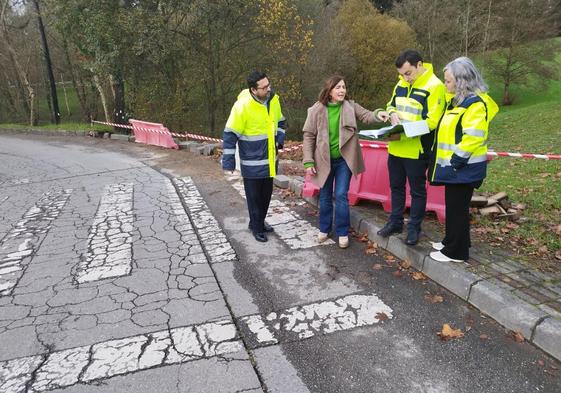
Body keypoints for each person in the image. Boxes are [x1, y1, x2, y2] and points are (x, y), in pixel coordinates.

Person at [302, 75, 385, 249]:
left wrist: (379, 114)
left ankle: (342, 232)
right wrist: (308, 162)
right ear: (329, 90)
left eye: (343, 87)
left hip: (344, 160)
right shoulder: (316, 110)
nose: (342, 90)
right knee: (325, 196)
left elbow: (367, 116)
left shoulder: (350, 106)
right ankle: (324, 229)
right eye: (338, 87)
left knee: (340, 195)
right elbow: (309, 136)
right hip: (323, 161)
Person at [429, 57, 498, 262]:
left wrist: (457, 160)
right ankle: (452, 241)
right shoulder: (458, 102)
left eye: (448, 81)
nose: (445, 84)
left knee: (457, 209)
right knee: (454, 207)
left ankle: (456, 252)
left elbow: (473, 136)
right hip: (457, 167)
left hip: (463, 168)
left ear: (461, 82)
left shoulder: (474, 104)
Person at [377, 49, 446, 245]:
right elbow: (390, 104)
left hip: (417, 149)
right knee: (396, 187)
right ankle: (396, 222)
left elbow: (433, 121)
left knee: (417, 191)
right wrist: (390, 114)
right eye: (401, 75)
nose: (405, 78)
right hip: (397, 146)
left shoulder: (435, 86)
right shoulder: (401, 83)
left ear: (419, 65)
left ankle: (414, 228)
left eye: (408, 73)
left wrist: (405, 129)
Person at [222, 71, 286, 243]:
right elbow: (229, 135)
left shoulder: (274, 100)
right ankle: (256, 227)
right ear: (253, 89)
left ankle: (258, 222)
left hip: (271, 160)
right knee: (254, 198)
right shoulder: (242, 106)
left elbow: (281, 121)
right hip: (251, 162)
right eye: (264, 87)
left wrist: (279, 140)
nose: (269, 89)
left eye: (269, 84)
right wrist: (228, 162)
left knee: (266, 196)